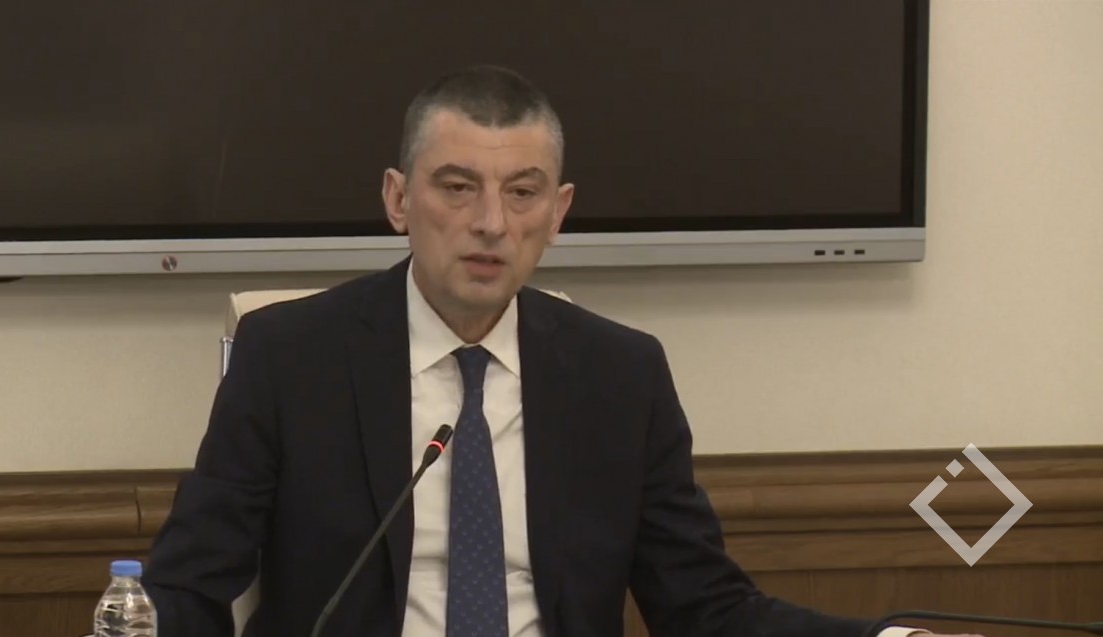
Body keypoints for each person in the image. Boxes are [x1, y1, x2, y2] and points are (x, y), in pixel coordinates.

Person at [142, 65, 980, 637]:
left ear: (559, 212)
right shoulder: (291, 358)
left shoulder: (621, 376)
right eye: (457, 187)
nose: (491, 224)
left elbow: (705, 607)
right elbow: (188, 583)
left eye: (523, 193)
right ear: (398, 199)